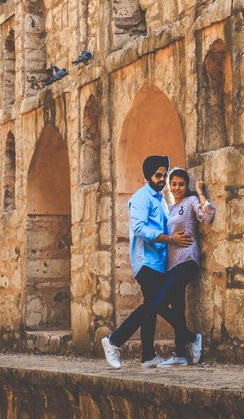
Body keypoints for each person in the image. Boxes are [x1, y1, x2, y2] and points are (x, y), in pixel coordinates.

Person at [101, 155, 193, 369]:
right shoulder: (141, 198)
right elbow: (140, 229)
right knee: (153, 305)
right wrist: (170, 239)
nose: (162, 179)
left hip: (160, 261)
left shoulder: (160, 198)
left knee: (150, 307)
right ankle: (114, 340)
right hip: (146, 262)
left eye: (164, 175)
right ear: (148, 175)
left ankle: (148, 355)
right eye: (158, 175)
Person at [156, 167, 215, 366]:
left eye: (181, 184)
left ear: (186, 185)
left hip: (188, 259)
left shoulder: (190, 202)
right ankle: (180, 353)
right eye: (174, 184)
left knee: (158, 302)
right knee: (177, 307)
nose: (177, 187)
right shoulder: (170, 209)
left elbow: (207, 215)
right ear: (169, 187)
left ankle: (191, 338)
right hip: (172, 263)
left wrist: (199, 192)